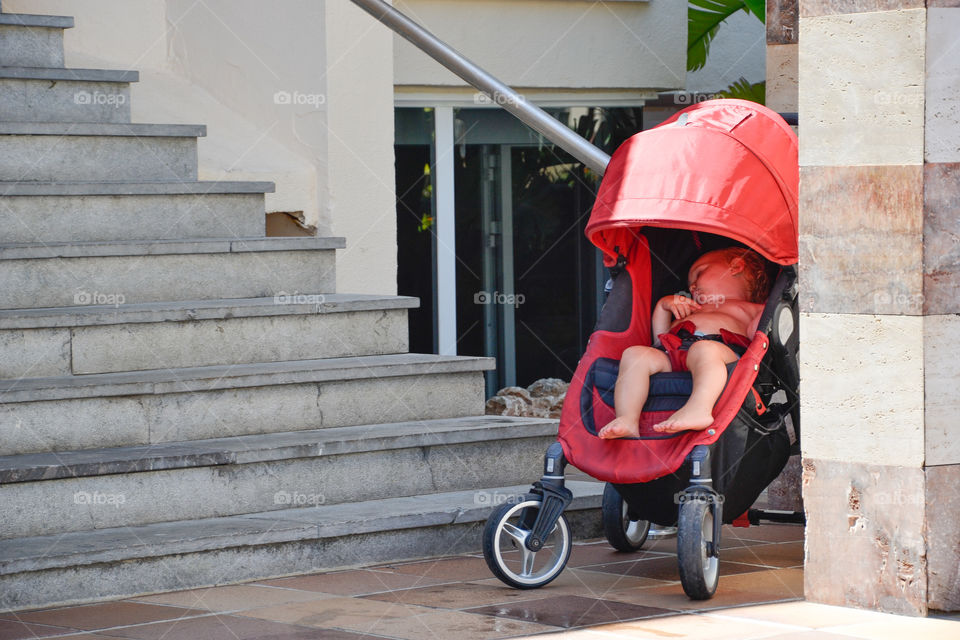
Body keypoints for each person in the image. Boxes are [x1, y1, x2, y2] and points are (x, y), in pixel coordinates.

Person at [598, 247, 770, 439]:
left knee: (704, 350)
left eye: (698, 274)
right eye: (690, 284)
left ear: (736, 266)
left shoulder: (753, 309)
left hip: (722, 354)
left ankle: (699, 409)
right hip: (674, 352)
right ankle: (627, 418)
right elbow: (659, 340)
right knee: (634, 354)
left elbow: (763, 335)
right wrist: (664, 305)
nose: (692, 287)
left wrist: (771, 312)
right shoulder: (693, 309)